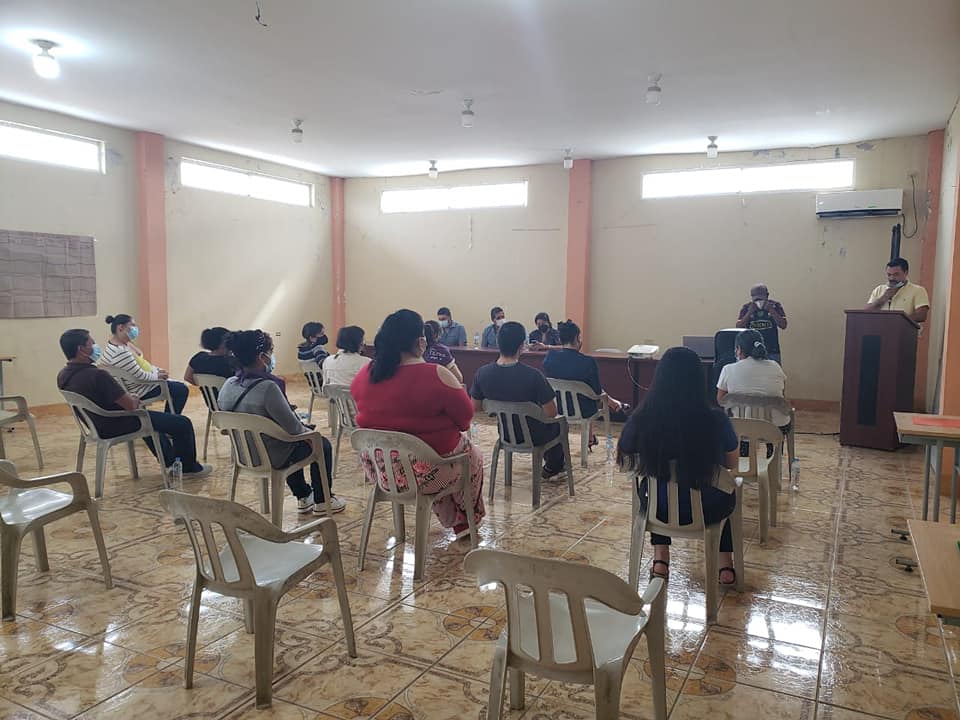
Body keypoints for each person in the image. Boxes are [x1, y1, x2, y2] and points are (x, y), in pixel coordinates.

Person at [351, 309, 485, 539]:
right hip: (426, 475)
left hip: (383, 472)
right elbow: (465, 419)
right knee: (470, 454)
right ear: (420, 341)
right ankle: (467, 517)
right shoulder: (436, 374)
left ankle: (457, 521)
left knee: (431, 455)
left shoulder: (366, 373)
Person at [617, 346, 739, 585]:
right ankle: (725, 565)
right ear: (699, 380)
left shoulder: (642, 418)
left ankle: (660, 559)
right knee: (725, 490)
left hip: (658, 510)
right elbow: (732, 462)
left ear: (659, 379)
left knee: (656, 488)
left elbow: (625, 455)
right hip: (708, 508)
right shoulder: (716, 419)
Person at [57, 328, 212, 478]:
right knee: (182, 423)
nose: (96, 347)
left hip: (96, 425)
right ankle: (189, 468)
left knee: (156, 421)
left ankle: (171, 462)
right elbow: (130, 405)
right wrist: (134, 398)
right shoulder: (98, 375)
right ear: (81, 349)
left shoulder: (63, 375)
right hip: (117, 423)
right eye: (92, 343)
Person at [218, 330, 344, 514]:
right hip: (273, 456)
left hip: (244, 455)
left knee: (292, 440)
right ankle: (323, 500)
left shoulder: (228, 385)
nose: (272, 356)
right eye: (271, 351)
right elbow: (294, 429)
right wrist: (308, 430)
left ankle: (303, 495)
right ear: (262, 357)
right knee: (320, 443)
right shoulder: (268, 387)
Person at [470, 321, 566, 480]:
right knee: (559, 424)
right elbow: (551, 412)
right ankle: (553, 467)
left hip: (506, 433)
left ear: (498, 343)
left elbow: (475, 406)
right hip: (536, 436)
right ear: (522, 345)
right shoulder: (533, 375)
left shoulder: (482, 373)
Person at [543, 320, 626, 432]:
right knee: (590, 394)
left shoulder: (550, 357)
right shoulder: (588, 362)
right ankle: (613, 406)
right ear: (577, 338)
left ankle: (592, 435)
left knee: (586, 390)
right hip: (583, 410)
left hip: (559, 407)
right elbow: (597, 392)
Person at [101, 314, 189, 414]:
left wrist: (129, 344)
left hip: (139, 383)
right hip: (142, 389)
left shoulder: (113, 346)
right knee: (182, 389)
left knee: (176, 385)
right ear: (121, 328)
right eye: (132, 325)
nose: (135, 329)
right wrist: (157, 376)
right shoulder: (121, 353)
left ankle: (170, 418)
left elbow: (139, 356)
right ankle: (171, 420)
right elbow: (141, 376)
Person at [716, 330, 790, 430]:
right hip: (775, 429)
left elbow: (721, 400)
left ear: (739, 350)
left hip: (740, 427)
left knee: (735, 425)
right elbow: (782, 395)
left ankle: (743, 440)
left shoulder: (728, 369)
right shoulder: (775, 367)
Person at [865, 257, 930, 323]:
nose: (892, 278)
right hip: (880, 328)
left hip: (904, 329)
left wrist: (897, 321)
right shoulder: (879, 290)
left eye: (896, 274)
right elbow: (866, 313)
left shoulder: (918, 290)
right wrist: (884, 298)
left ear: (906, 273)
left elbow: (921, 315)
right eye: (889, 274)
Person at [736, 285, 787, 364]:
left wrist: (771, 310)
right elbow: (739, 327)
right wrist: (749, 312)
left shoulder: (775, 305)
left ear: (767, 295)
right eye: (756, 299)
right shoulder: (746, 307)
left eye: (761, 299)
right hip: (751, 351)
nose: (758, 301)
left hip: (772, 351)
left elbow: (783, 325)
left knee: (773, 371)